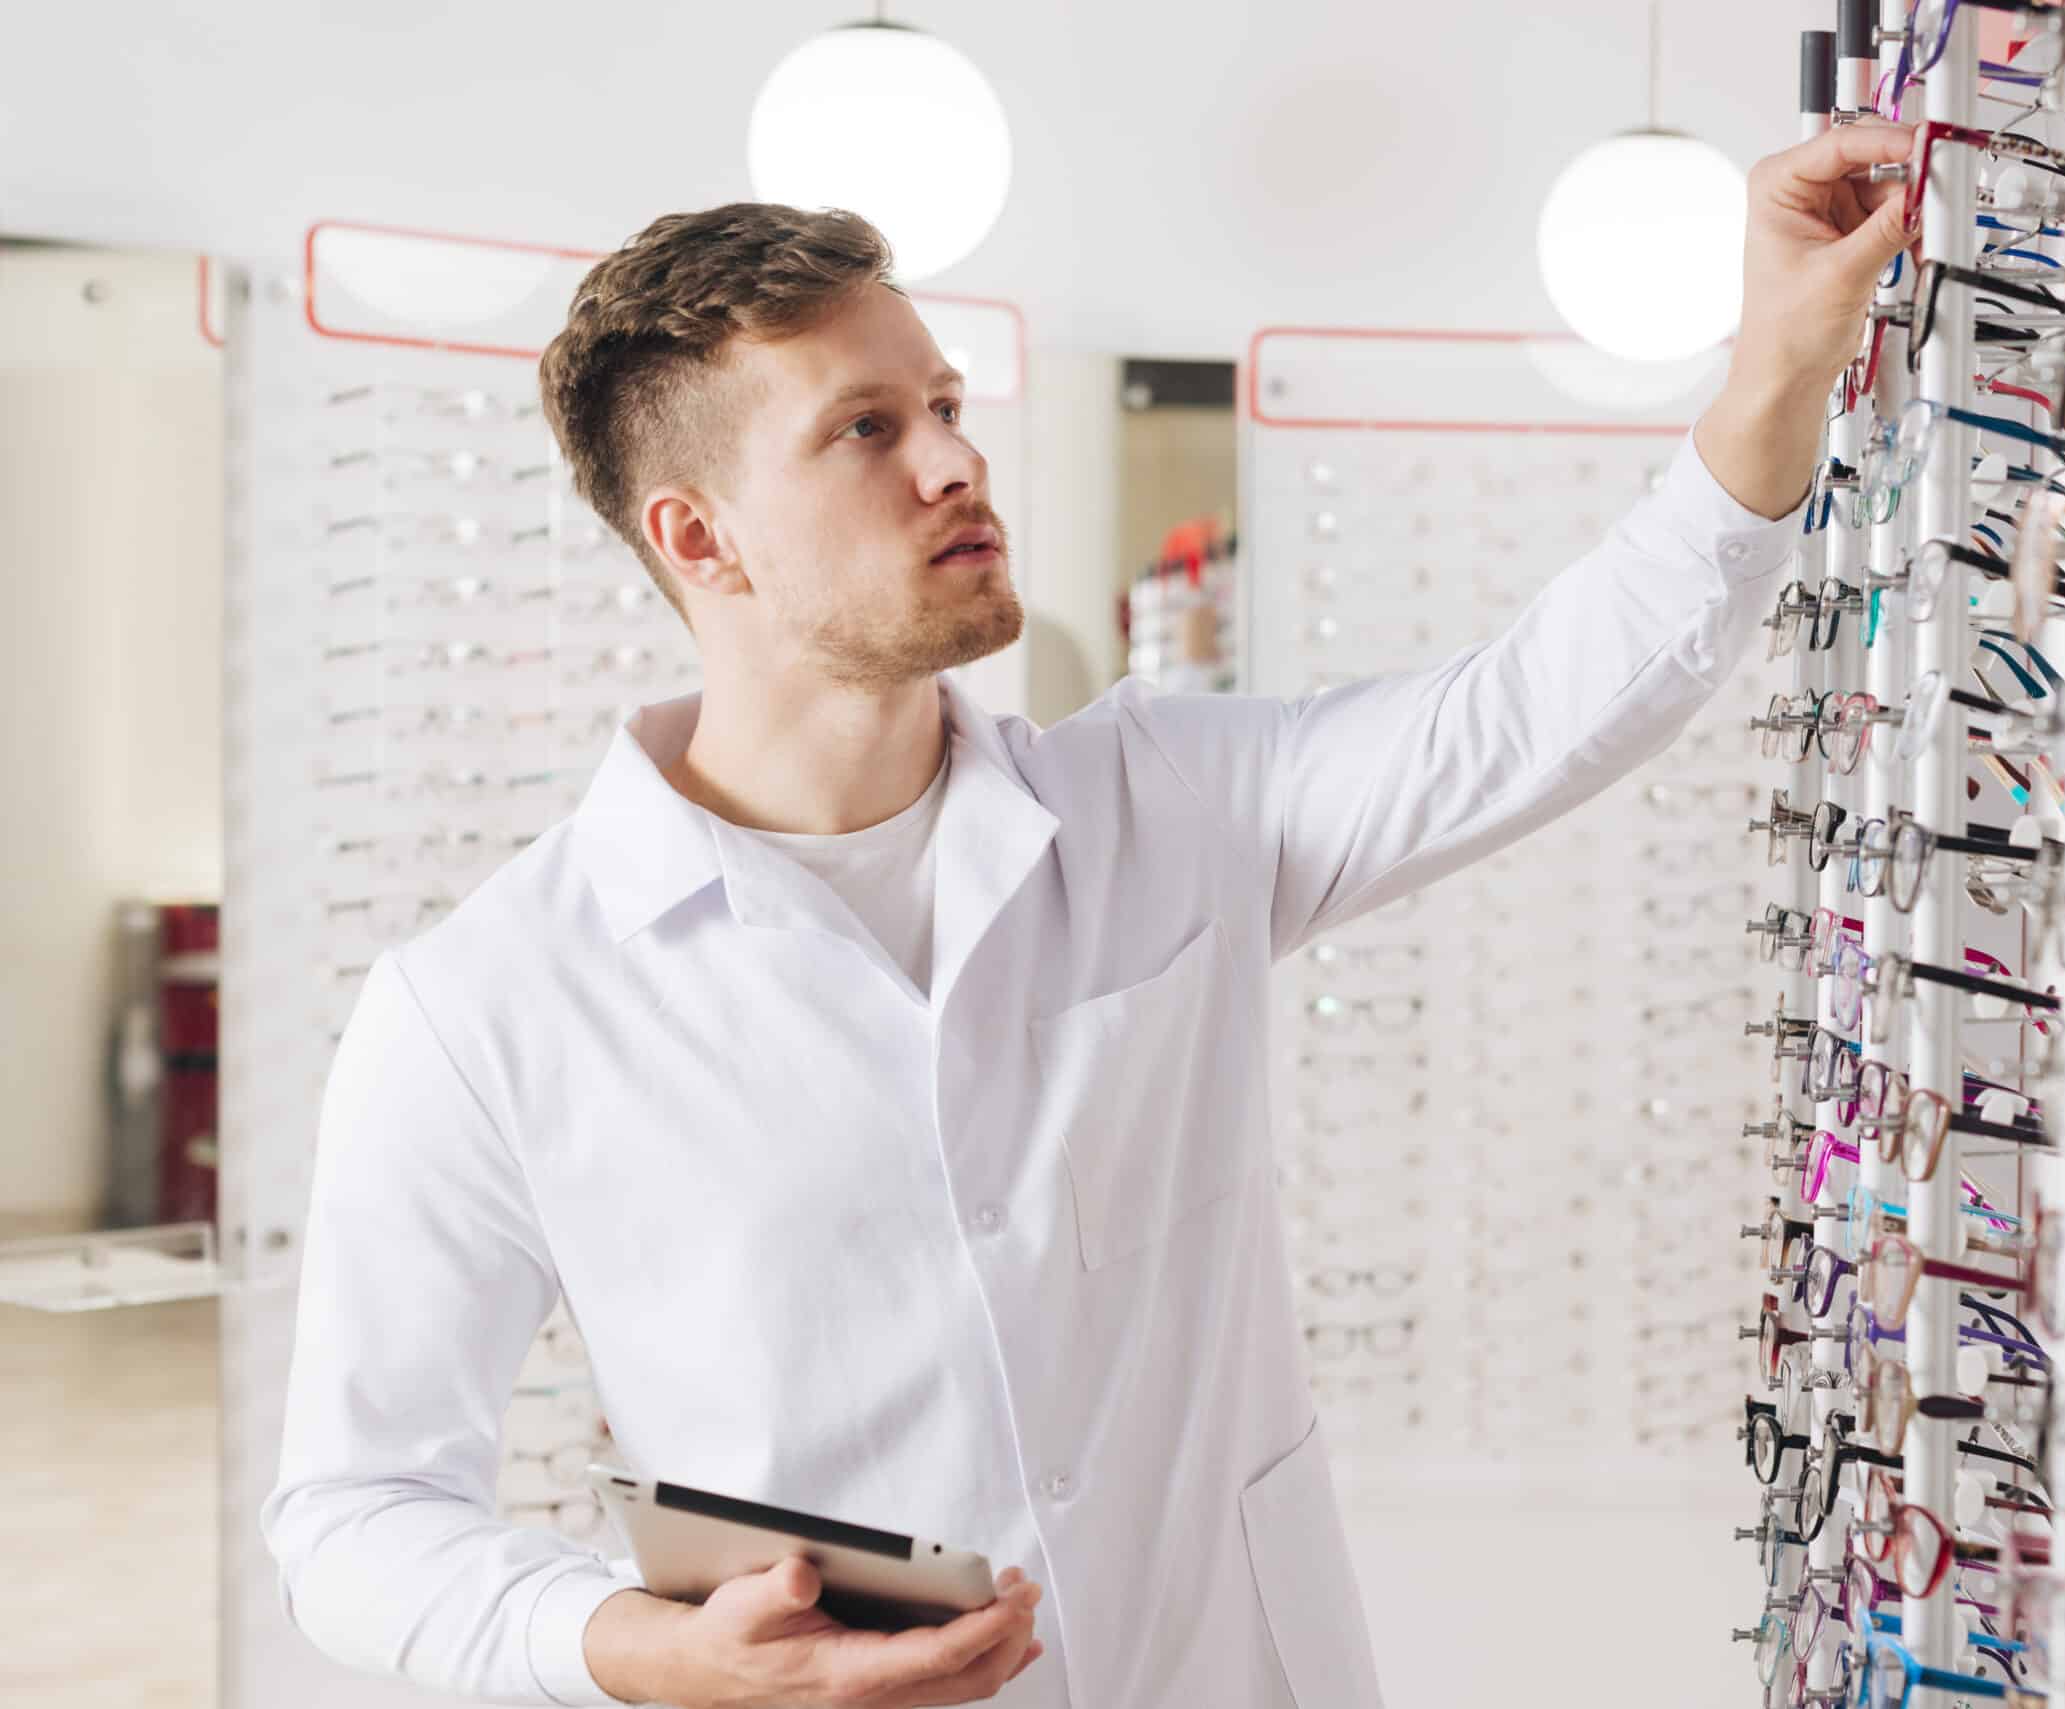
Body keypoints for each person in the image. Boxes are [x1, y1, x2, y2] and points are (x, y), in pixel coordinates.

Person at [260, 119, 1915, 1709]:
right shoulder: (485, 1006)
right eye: (864, 428)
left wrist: (1772, 363)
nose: (956, 459)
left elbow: (1540, 707)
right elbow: (353, 1517)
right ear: (704, 540)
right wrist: (645, 1643)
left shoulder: (1164, 808)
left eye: (947, 403)